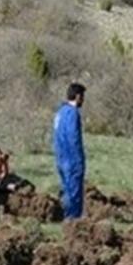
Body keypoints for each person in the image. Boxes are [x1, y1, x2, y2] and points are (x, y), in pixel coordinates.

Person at [53, 82, 87, 220]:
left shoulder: (60, 112)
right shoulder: (73, 113)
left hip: (60, 158)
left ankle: (66, 217)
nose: (83, 100)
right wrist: (79, 160)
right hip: (72, 160)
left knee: (67, 191)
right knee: (74, 194)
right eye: (83, 97)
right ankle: (73, 223)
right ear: (78, 96)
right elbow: (74, 138)